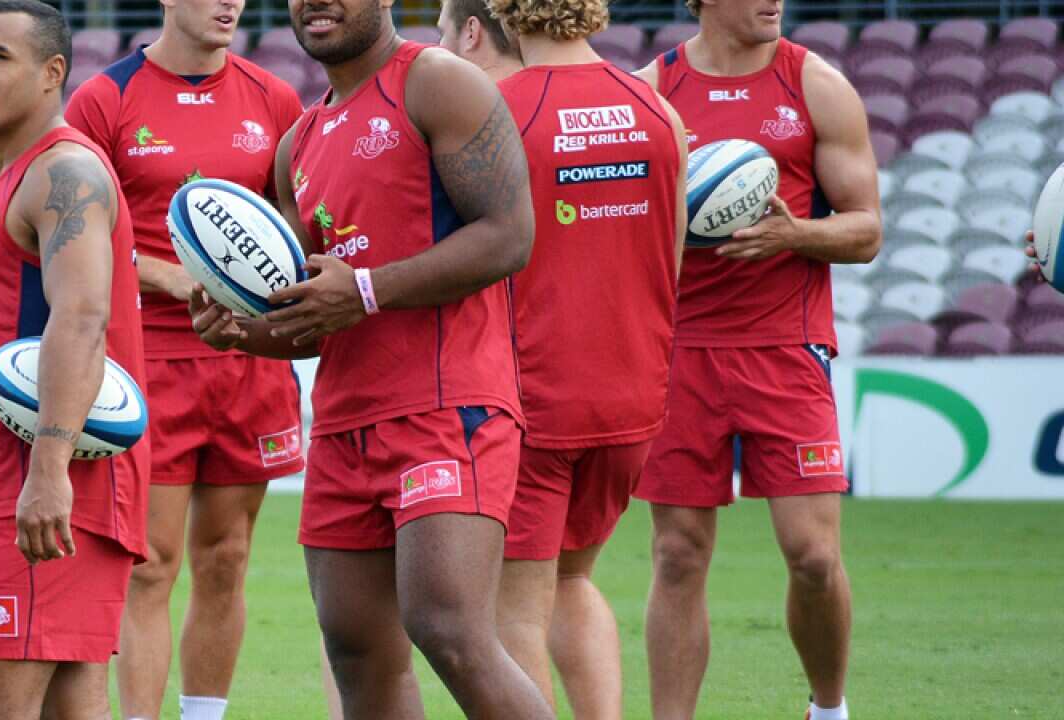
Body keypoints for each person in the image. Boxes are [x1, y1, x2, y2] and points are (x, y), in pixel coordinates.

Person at [188, 0, 554, 716]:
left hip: (449, 406)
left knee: (448, 628)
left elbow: (510, 236)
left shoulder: (438, 82)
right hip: (345, 425)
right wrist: (237, 330)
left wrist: (364, 290)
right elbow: (309, 318)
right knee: (356, 649)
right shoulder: (301, 140)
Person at [630, 1, 882, 719]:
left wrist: (793, 235)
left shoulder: (817, 85)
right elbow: (624, 225)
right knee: (677, 554)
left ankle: (828, 709)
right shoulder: (652, 92)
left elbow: (866, 231)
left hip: (785, 348)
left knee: (813, 557)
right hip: (679, 350)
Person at [64, 1, 304, 717]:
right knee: (151, 564)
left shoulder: (273, 97)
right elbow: (70, 225)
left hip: (248, 360)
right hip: (148, 359)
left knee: (226, 558)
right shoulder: (106, 98)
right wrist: (167, 273)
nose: (229, 3)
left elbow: (292, 217)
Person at [0, 1, 149, 717]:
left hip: (65, 483)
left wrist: (50, 472)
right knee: (71, 704)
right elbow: (3, 379)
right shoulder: (11, 182)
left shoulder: (66, 174)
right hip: (29, 483)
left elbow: (83, 317)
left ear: (52, 73)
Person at [482, 0, 687, 716]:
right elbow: (673, 258)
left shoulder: (500, 110)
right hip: (633, 394)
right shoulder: (658, 110)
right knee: (572, 579)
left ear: (507, 9)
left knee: (514, 609)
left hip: (534, 395)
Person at [436, 0, 522, 83]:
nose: (439, 46)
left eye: (443, 33)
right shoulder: (534, 87)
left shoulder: (465, 97)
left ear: (471, 32)